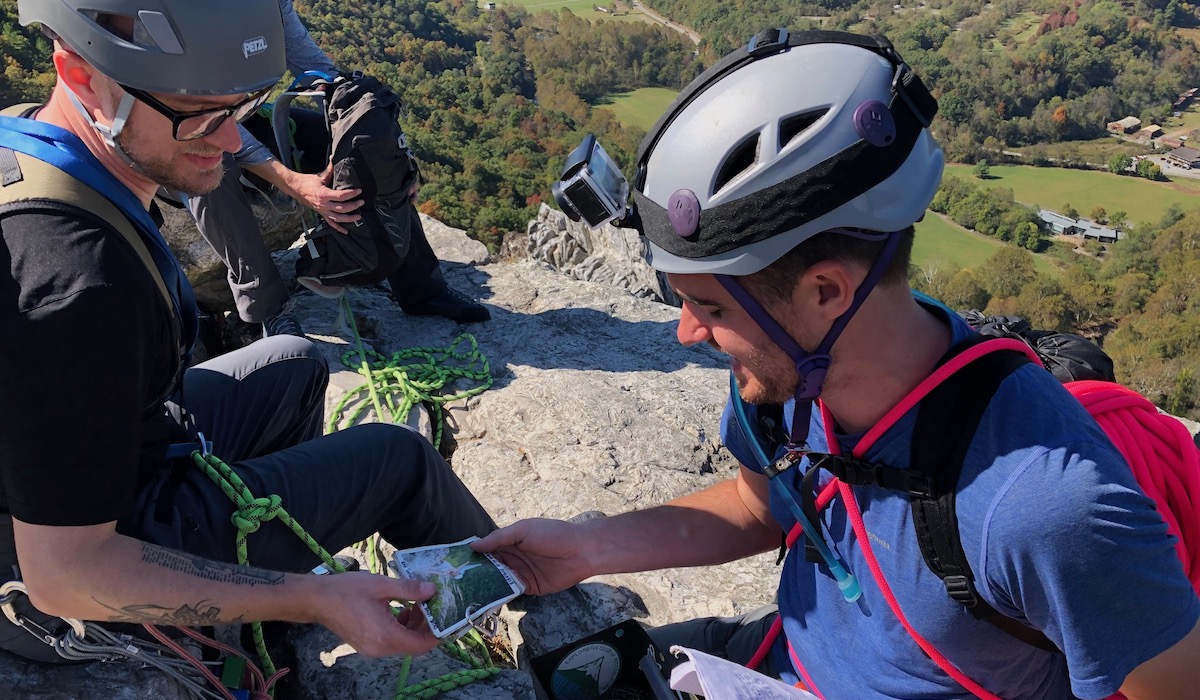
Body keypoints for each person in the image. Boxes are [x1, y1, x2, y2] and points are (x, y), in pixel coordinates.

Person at [474, 29, 1200, 699]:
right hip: (778, 660)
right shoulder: (782, 384)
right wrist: (583, 547)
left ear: (826, 292)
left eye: (713, 309)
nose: (687, 333)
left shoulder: (1043, 510)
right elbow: (759, 508)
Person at [0, 0, 494, 665]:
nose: (231, 141)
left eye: (240, 108)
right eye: (199, 114)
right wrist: (302, 596)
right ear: (82, 75)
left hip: (110, 462)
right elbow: (66, 576)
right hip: (73, 572)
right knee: (400, 462)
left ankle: (264, 589)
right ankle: (553, 623)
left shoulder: (24, 137)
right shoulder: (78, 283)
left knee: (294, 366)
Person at [186, 0, 489, 339]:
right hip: (177, 129)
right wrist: (292, 182)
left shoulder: (271, 5)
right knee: (210, 165)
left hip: (244, 115)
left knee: (361, 142)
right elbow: (198, 109)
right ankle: (265, 309)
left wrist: (394, 157)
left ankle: (422, 289)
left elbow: (321, 73)